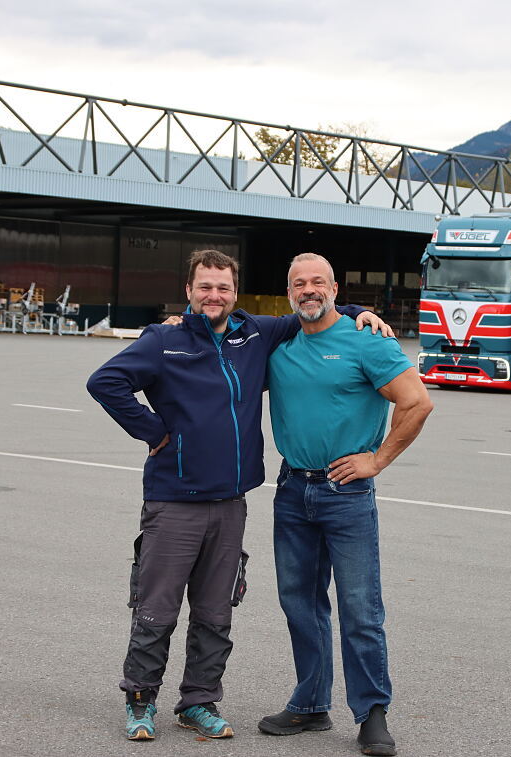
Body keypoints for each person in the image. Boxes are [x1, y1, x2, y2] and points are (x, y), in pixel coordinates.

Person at [85, 249, 389, 742]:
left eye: (223, 287)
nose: (214, 295)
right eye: (205, 287)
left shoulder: (255, 334)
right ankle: (140, 699)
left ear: (234, 292)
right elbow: (106, 382)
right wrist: (152, 430)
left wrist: (358, 311)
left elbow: (313, 309)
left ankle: (199, 701)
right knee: (157, 608)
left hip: (230, 504)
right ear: (189, 290)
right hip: (174, 500)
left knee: (215, 612)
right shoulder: (164, 340)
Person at [258, 253, 433, 757]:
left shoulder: (366, 340)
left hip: (346, 495)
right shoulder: (280, 346)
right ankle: (311, 704)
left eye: (318, 282)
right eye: (299, 284)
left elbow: (417, 401)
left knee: (360, 608)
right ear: (289, 293)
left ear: (334, 288)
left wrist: (377, 460)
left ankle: (372, 713)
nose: (308, 290)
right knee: (300, 603)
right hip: (293, 490)